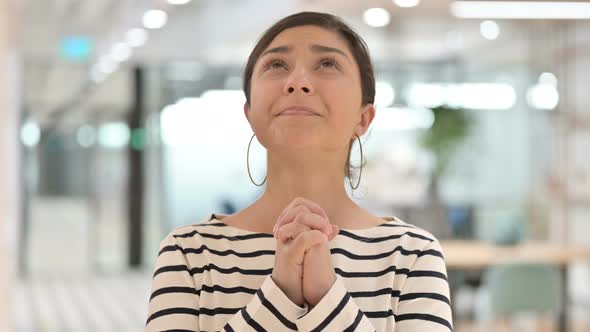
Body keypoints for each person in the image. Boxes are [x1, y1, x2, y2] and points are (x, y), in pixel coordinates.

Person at [146, 11, 452, 331]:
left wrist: (326, 297)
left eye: (327, 64)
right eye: (277, 65)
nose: (298, 82)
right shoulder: (187, 252)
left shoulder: (413, 254)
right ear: (250, 114)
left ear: (364, 118)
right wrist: (279, 295)